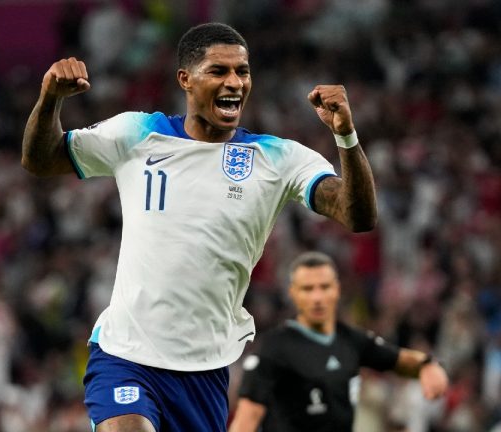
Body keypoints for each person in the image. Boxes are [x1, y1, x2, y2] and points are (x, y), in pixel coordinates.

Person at [22, 22, 377, 432]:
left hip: (204, 370)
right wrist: (50, 98)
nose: (235, 82)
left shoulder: (278, 158)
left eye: (242, 72)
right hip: (126, 352)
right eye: (219, 71)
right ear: (185, 80)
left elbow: (358, 216)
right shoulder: (137, 134)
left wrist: (346, 136)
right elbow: (41, 159)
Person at [229, 252, 449, 432]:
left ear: (335, 291)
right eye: (308, 289)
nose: (317, 297)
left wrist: (426, 366)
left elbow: (397, 359)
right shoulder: (274, 348)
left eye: (324, 287)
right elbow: (247, 417)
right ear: (293, 294)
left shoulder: (352, 341)